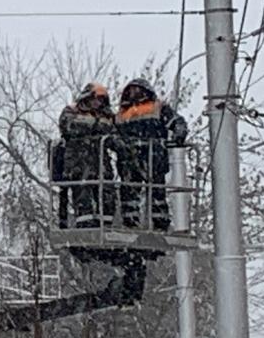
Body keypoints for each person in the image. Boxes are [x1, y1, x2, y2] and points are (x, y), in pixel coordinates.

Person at [113, 79, 189, 230]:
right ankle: (130, 223)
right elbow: (112, 134)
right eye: (132, 90)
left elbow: (178, 122)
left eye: (138, 90)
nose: (134, 93)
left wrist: (179, 135)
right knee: (129, 194)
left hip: (153, 158)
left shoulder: (158, 108)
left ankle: (160, 224)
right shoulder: (121, 114)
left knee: (156, 193)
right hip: (130, 160)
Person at [53, 83, 116, 227]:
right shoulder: (72, 110)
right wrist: (95, 126)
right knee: (83, 199)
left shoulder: (108, 115)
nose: (98, 102)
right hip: (79, 164)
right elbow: (69, 126)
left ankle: (105, 228)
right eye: (96, 98)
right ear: (87, 97)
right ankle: (85, 228)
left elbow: (115, 134)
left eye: (101, 99)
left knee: (107, 198)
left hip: (101, 164)